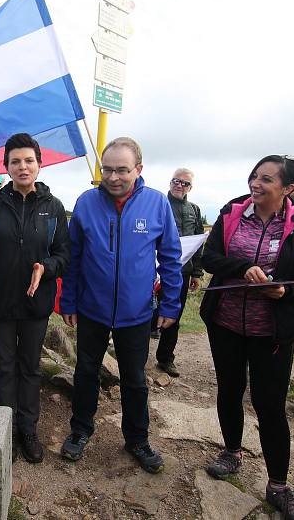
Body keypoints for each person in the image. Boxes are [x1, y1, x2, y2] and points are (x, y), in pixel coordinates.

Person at [200, 155, 294, 520]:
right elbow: (210, 258)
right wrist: (243, 268)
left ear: (288, 188)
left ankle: (279, 485)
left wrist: (285, 293)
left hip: (272, 331)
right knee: (229, 389)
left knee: (271, 406)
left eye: (266, 179)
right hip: (225, 323)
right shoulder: (232, 212)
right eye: (254, 175)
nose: (256, 183)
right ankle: (231, 452)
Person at [59, 136, 183, 474]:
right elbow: (73, 258)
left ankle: (137, 440)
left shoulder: (157, 204)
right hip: (91, 309)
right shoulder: (86, 203)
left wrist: (171, 305)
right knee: (85, 372)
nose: (113, 177)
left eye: (122, 170)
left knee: (134, 379)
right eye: (107, 169)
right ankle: (80, 430)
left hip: (136, 313)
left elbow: (171, 259)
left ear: (138, 169)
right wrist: (68, 300)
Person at [0, 133, 69, 463]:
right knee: (4, 366)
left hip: (37, 305)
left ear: (39, 164)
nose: (22, 167)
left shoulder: (53, 208)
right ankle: (4, 430)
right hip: (0, 302)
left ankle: (28, 429)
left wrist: (48, 268)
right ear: (6, 166)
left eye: (29, 160)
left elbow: (64, 253)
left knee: (30, 367)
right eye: (15, 161)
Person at [153, 167, 205, 377]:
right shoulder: (157, 204)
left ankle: (165, 359)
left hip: (182, 272)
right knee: (146, 311)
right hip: (155, 270)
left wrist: (197, 273)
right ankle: (131, 355)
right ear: (170, 181)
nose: (179, 185)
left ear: (190, 188)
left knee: (173, 315)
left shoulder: (195, 210)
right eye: (176, 181)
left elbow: (199, 241)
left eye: (185, 183)